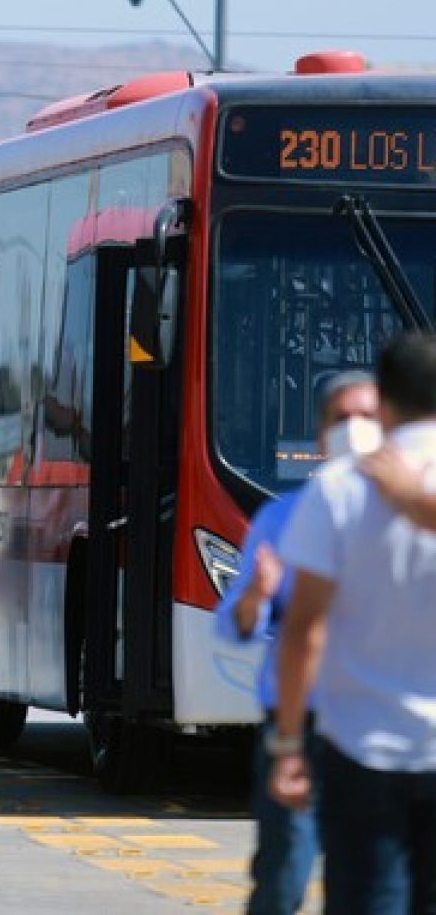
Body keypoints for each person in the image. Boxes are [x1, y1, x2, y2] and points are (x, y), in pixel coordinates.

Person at [271, 333, 436, 913]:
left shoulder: (341, 488)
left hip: (360, 750)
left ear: (385, 404)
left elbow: (303, 628)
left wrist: (289, 744)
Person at [215, 370, 379, 914]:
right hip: (300, 725)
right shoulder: (283, 516)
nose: (354, 430)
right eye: (342, 419)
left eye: (367, 419)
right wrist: (256, 597)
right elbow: (235, 621)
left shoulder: (410, 520)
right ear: (320, 430)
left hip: (378, 727)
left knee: (368, 884)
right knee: (285, 874)